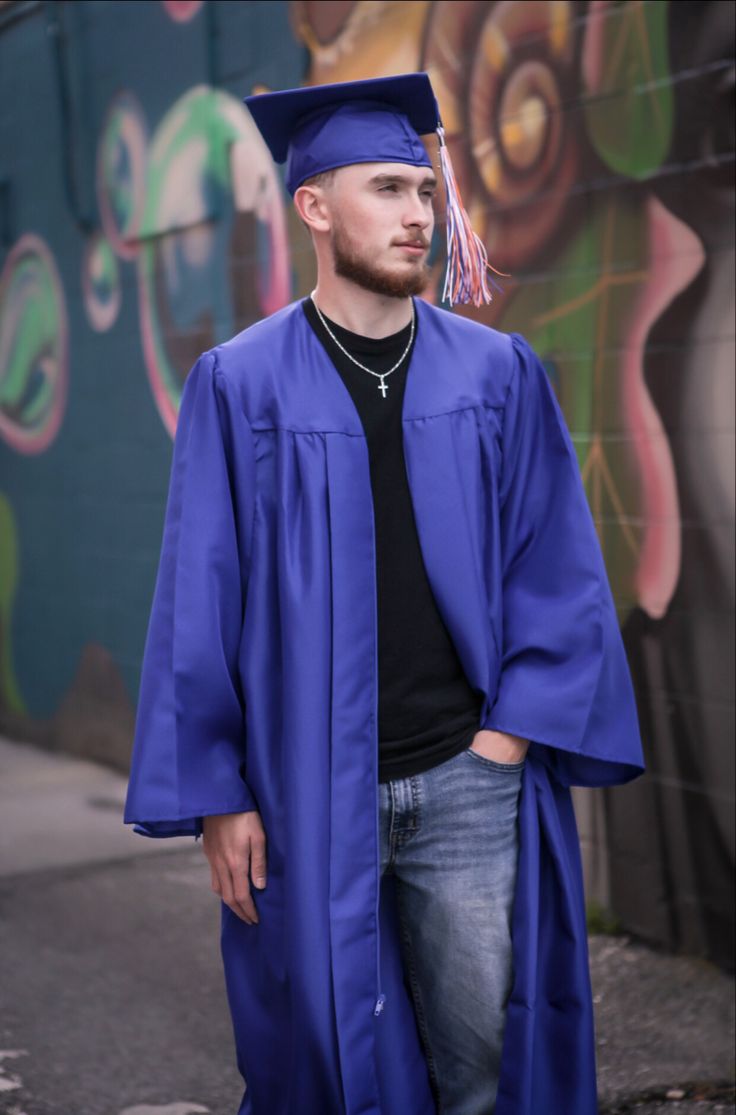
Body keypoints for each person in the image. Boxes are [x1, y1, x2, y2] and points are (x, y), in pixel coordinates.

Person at [123, 73, 645, 1115]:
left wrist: (503, 742)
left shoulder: (497, 372)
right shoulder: (241, 382)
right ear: (314, 206)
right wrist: (219, 792)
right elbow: (199, 595)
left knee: (479, 1061)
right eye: (387, 190)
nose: (419, 215)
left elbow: (558, 570)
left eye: (422, 189)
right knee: (330, 1050)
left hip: (466, 780)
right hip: (308, 787)